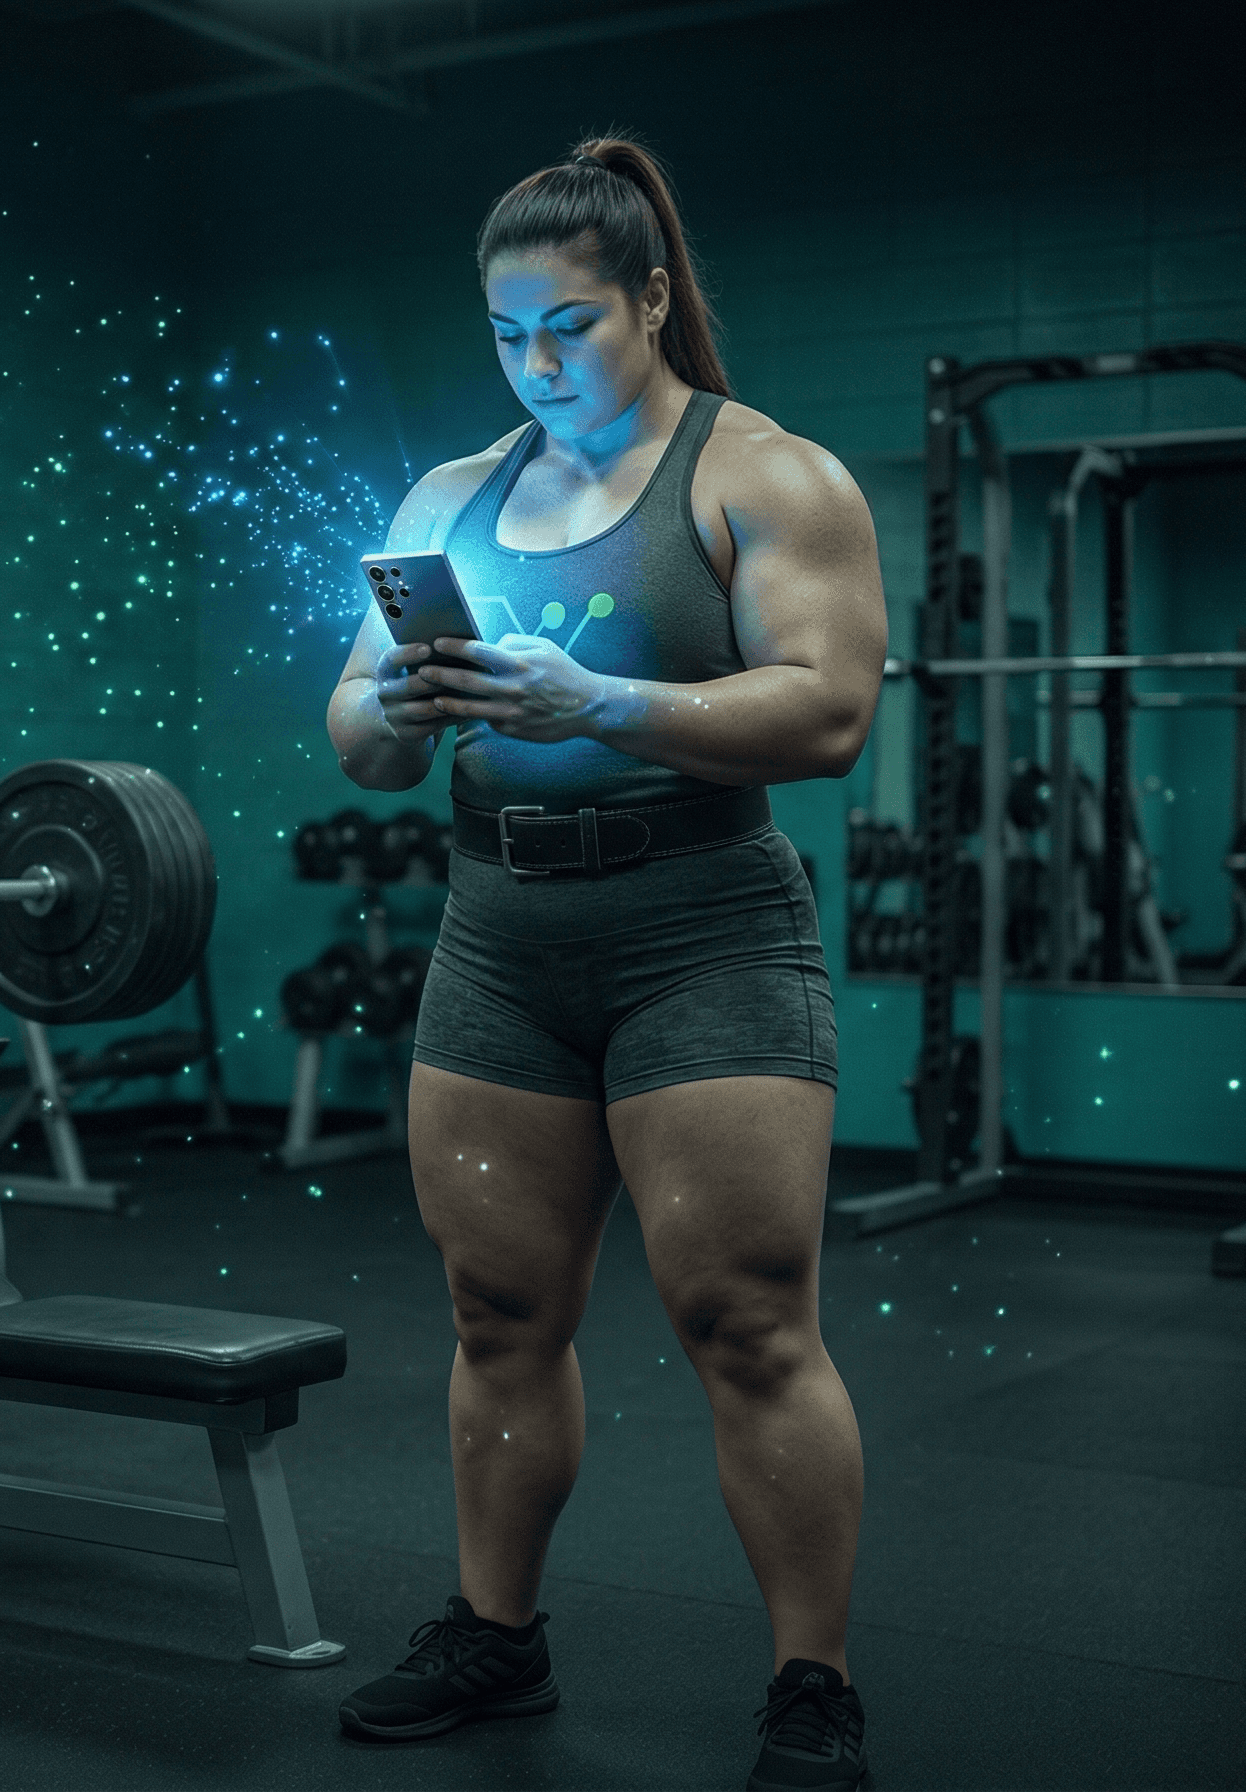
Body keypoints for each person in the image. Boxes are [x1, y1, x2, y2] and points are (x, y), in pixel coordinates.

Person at [322, 135, 886, 1792]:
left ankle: (810, 1685)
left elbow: (832, 714)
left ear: (651, 298)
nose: (539, 363)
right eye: (508, 335)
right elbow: (355, 745)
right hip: (499, 936)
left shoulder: (769, 477)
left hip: (703, 925)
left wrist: (604, 706)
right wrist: (401, 708)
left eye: (569, 325)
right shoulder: (447, 499)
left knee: (746, 1318)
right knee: (497, 1309)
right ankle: (497, 1637)